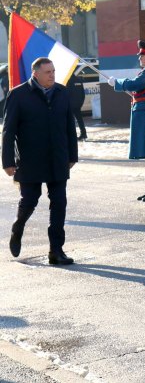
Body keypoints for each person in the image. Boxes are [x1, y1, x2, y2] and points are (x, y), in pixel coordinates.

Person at [2, 57, 78, 265]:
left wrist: (72, 154)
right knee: (29, 200)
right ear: (35, 74)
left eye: (54, 71)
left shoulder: (62, 92)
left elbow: (69, 127)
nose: (52, 75)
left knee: (59, 203)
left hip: (58, 157)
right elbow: (8, 131)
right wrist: (8, 161)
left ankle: (56, 250)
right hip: (30, 159)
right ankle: (18, 228)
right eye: (48, 72)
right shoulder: (18, 94)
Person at [107, 40, 145, 201]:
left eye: (143, 55)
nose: (140, 58)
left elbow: (136, 84)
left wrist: (117, 82)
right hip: (142, 111)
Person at [66, 69, 87, 141]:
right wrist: (81, 102)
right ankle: (84, 134)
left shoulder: (68, 81)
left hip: (70, 104)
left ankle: (72, 136)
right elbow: (83, 93)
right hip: (78, 104)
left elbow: (67, 94)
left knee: (70, 121)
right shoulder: (78, 80)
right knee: (80, 120)